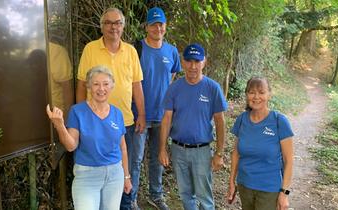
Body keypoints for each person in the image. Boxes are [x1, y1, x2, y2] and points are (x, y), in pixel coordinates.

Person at [74, 8, 145, 210]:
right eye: (108, 23)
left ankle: (128, 204)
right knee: (99, 165)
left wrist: (142, 113)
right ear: (101, 26)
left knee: (128, 165)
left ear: (123, 26)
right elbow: (81, 85)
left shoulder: (131, 51)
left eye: (118, 23)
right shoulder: (90, 49)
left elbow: (136, 85)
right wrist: (81, 117)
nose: (113, 27)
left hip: (126, 121)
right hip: (95, 122)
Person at [46, 66, 132, 210]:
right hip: (87, 176)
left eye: (105, 84)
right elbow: (71, 146)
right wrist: (60, 126)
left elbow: (122, 147)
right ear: (88, 86)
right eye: (96, 84)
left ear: (112, 86)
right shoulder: (77, 111)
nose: (101, 88)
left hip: (114, 175)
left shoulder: (117, 113)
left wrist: (126, 177)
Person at [159, 43, 227, 210]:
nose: (193, 66)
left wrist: (219, 153)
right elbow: (166, 119)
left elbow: (220, 121)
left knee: (205, 197)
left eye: (197, 61)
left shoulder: (212, 88)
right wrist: (162, 149)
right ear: (182, 62)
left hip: (202, 151)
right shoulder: (174, 88)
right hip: (178, 149)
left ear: (204, 62)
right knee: (185, 194)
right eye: (189, 61)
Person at [126, 7, 181, 210]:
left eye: (161, 24)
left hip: (163, 115)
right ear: (146, 26)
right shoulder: (136, 49)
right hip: (139, 114)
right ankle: (130, 199)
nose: (158, 28)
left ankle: (155, 195)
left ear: (165, 26)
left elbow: (172, 76)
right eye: (154, 24)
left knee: (158, 157)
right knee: (135, 159)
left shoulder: (172, 51)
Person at [226, 76, 294, 210]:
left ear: (269, 94)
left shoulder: (279, 121)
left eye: (261, 92)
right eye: (252, 92)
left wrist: (284, 193)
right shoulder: (242, 120)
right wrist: (232, 183)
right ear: (246, 94)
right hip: (245, 186)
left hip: (269, 190)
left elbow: (289, 159)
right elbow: (236, 153)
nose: (256, 97)